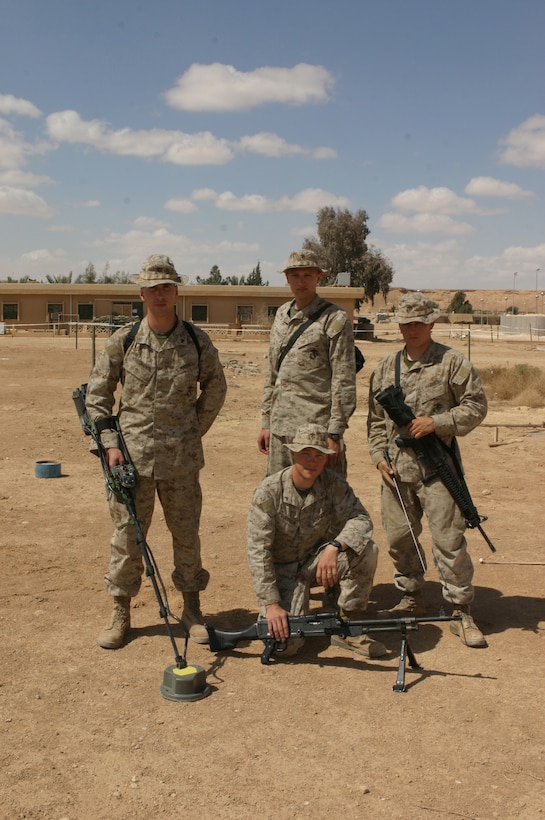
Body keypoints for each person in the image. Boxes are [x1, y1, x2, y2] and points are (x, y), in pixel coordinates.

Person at [85, 254, 227, 649]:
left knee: (186, 536)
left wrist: (193, 430)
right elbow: (97, 397)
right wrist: (110, 446)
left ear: (176, 291)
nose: (160, 294)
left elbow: (215, 387)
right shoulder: (124, 341)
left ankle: (192, 608)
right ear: (142, 292)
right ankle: (121, 611)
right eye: (153, 287)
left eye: (167, 287)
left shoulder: (197, 341)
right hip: (131, 461)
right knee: (128, 537)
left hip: (181, 462)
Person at [367, 292, 488, 647]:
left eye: (418, 322)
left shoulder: (452, 362)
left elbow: (477, 406)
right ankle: (411, 596)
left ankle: (460, 609)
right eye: (406, 324)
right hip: (396, 471)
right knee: (399, 539)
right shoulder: (387, 367)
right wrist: (378, 457)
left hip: (438, 470)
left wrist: (437, 422)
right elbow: (375, 421)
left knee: (449, 542)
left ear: (431, 323)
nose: (412, 329)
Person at [247, 423, 386, 659]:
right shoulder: (269, 492)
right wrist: (271, 605)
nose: (312, 461)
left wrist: (335, 546)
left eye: (318, 455)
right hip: (283, 572)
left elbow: (361, 519)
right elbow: (258, 552)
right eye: (305, 454)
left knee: (367, 550)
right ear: (292, 454)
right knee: (285, 647)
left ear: (326, 459)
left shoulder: (333, 484)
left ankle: (347, 624)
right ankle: (296, 609)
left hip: (316, 563)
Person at [257, 249, 356, 476]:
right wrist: (266, 423)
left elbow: (344, 380)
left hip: (315, 432)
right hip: (280, 430)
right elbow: (273, 374)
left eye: (307, 275)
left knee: (322, 502)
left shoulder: (334, 319)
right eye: (295, 275)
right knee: (280, 496)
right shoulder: (281, 315)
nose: (301, 282)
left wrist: (334, 434)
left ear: (319, 278)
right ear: (287, 278)